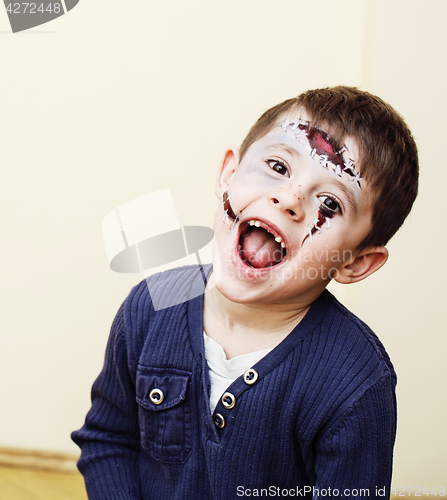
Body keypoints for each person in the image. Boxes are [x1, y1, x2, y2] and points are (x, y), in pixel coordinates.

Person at [72, 86, 419, 500]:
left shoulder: (355, 382)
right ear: (228, 175)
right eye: (277, 165)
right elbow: (108, 441)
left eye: (329, 203)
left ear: (355, 262)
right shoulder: (151, 304)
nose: (289, 198)